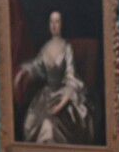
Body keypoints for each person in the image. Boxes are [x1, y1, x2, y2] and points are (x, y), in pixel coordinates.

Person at [13, 11, 95, 145]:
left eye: (57, 22)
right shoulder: (45, 48)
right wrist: (23, 72)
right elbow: (37, 68)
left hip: (63, 95)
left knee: (49, 126)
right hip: (46, 95)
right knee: (30, 123)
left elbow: (71, 77)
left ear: (62, 24)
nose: (54, 25)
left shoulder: (67, 47)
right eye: (51, 22)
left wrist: (61, 104)